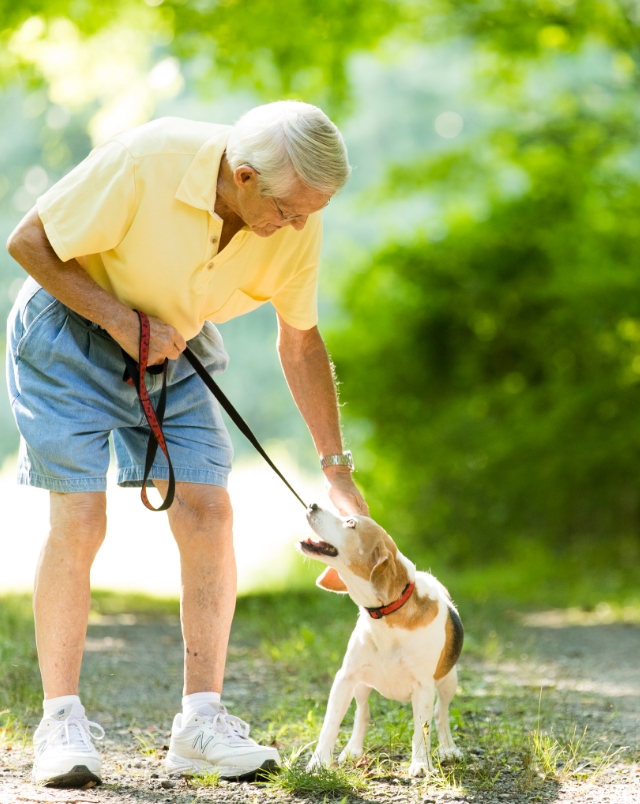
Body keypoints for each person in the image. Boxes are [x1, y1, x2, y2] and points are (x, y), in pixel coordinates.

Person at [6, 100, 369, 788]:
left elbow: (298, 339)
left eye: (311, 213)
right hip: (69, 326)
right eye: (290, 211)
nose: (298, 226)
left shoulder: (296, 217)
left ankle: (200, 724)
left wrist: (335, 466)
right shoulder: (150, 158)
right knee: (80, 519)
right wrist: (119, 320)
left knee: (209, 510)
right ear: (242, 176)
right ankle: (61, 722)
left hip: (175, 344)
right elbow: (28, 242)